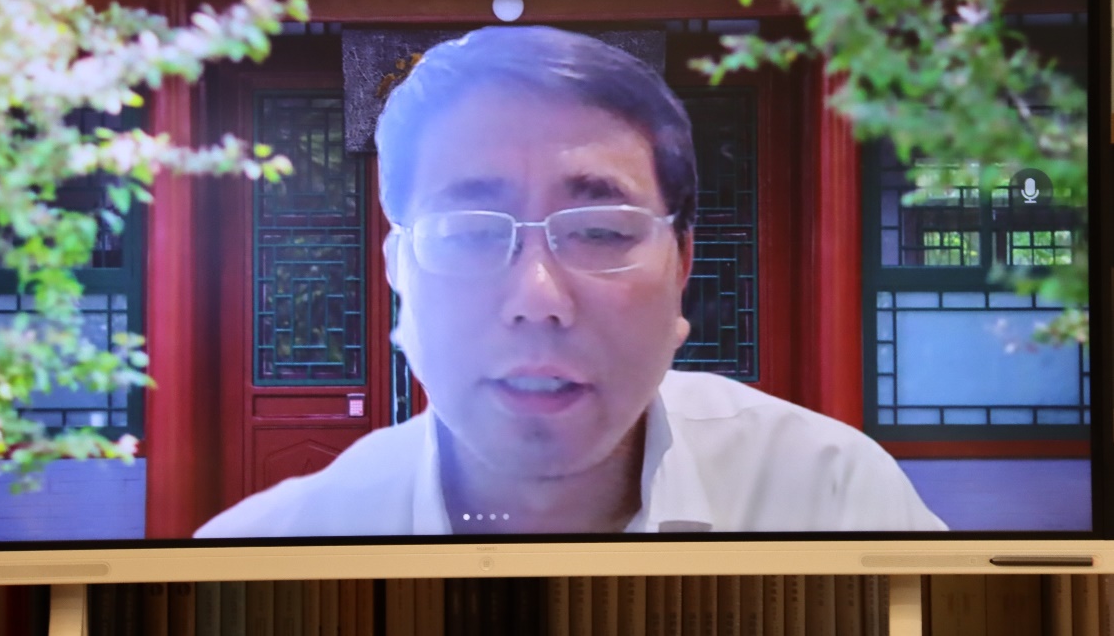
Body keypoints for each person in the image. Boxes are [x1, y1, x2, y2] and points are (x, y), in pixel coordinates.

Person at [195, 26, 947, 537]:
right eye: (470, 233)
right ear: (399, 270)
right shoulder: (273, 552)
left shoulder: (828, 495)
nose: (538, 300)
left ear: (682, 264)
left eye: (601, 231)